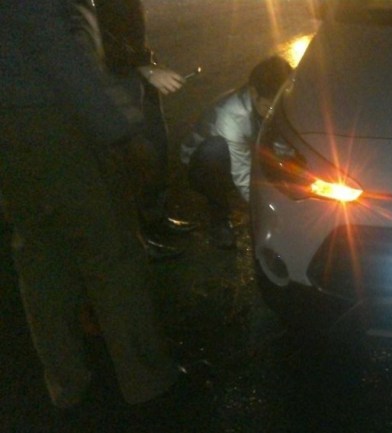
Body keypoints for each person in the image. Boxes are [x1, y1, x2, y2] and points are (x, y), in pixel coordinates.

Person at [0, 0, 194, 424]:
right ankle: (146, 379)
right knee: (111, 253)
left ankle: (66, 382)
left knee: (40, 257)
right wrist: (122, 134)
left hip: (11, 126)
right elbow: (61, 53)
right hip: (55, 123)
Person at [95, 0, 198, 261]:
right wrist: (144, 68)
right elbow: (98, 36)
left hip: (137, 73)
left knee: (157, 149)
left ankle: (156, 219)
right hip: (115, 81)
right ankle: (139, 241)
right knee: (132, 164)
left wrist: (147, 62)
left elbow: (130, 30)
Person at [181, 56, 293, 249]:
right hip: (204, 164)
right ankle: (219, 218)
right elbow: (241, 173)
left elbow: (283, 145)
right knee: (214, 151)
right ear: (253, 93)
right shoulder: (231, 116)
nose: (274, 111)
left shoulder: (279, 100)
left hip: (245, 150)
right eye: (269, 106)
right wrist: (268, 212)